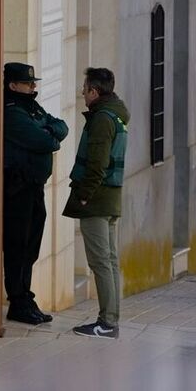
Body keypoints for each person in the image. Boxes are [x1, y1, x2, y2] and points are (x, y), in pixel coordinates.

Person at [63, 66, 129, 338]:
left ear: (94, 91)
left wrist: (83, 194)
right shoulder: (116, 114)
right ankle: (110, 320)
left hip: (97, 199)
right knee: (110, 261)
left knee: (101, 262)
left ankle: (107, 323)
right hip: (109, 198)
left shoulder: (102, 119)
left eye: (85, 89)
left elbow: (97, 164)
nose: (81, 93)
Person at [3, 62, 68, 326]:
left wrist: (49, 132)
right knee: (18, 245)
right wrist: (50, 137)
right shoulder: (12, 112)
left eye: (33, 83)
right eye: (28, 83)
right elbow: (44, 140)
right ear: (13, 85)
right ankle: (17, 301)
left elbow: (61, 126)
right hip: (18, 187)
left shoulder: (32, 107)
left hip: (34, 187)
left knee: (31, 245)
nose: (33, 87)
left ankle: (26, 297)